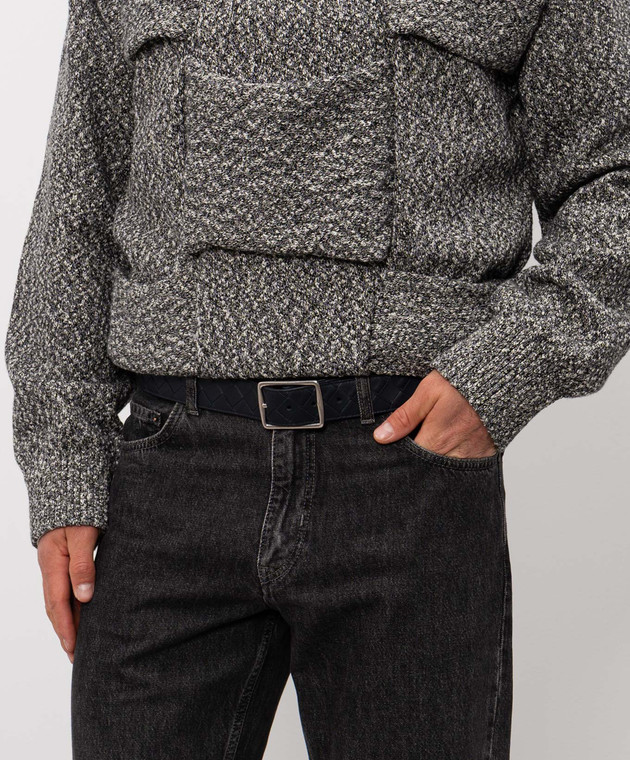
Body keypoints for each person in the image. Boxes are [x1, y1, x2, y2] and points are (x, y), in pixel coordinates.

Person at [5, 0, 629, 757]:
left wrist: (506, 370)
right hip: (165, 481)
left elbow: (615, 180)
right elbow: (79, 204)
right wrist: (63, 468)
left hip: (404, 475)